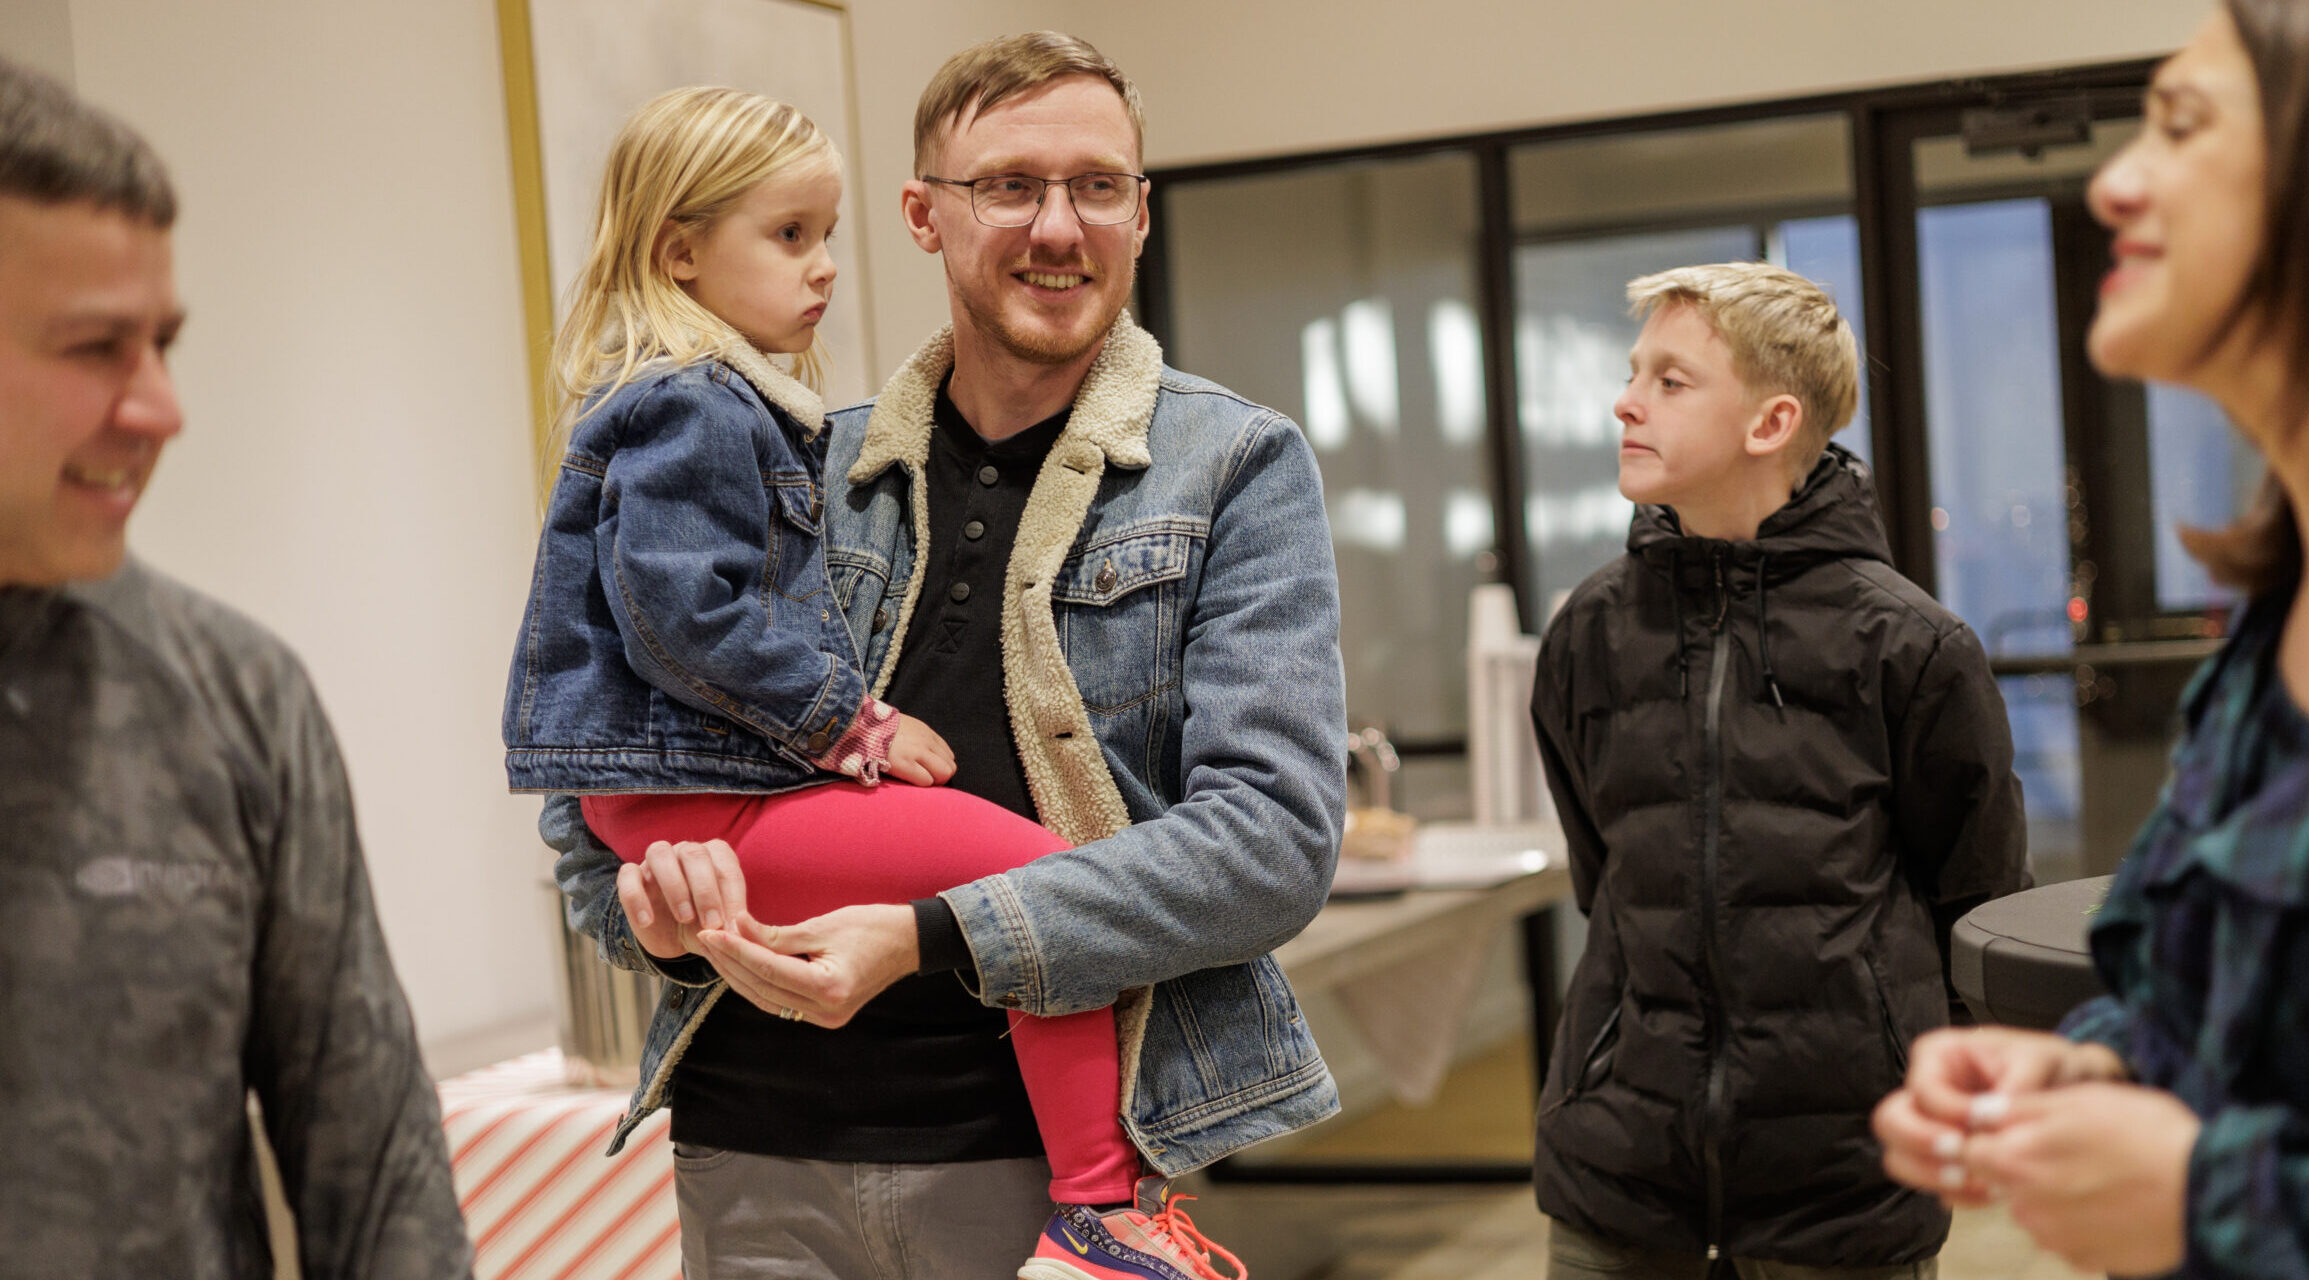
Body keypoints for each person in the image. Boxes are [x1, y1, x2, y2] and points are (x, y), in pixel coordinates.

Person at [544, 31, 1346, 1280]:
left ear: (1141, 211)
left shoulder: (1235, 468)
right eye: (1009, 186)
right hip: (749, 1153)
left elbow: (1270, 845)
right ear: (923, 215)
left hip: (1024, 1172)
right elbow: (595, 812)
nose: (1058, 226)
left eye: (1096, 186)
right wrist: (660, 915)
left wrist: (935, 934)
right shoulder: (787, 454)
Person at [1869, 1, 2309, 1275]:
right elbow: (2237, 1029)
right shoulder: (2281, 627)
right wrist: (2089, 1073)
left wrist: (2207, 1199)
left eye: (2179, 127)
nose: (2115, 182)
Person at [0, 57, 471, 1277]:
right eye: (96, 347)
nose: (159, 404)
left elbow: (378, 1173)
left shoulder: (236, 698)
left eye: (161, 341)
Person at [1531, 262, 2030, 1280]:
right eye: (1636, 373)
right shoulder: (1588, 630)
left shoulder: (1912, 646)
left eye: (1671, 380)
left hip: (1844, 1181)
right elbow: (1606, 877)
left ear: (1769, 424)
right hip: (1619, 1169)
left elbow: (1972, 908)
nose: (1625, 401)